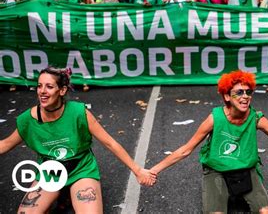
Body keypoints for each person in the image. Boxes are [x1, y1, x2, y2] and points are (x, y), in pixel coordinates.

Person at [149, 70, 268, 213]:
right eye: (239, 92)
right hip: (216, 170)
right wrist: (153, 171)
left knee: (265, 212)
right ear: (227, 96)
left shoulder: (256, 118)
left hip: (246, 170)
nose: (245, 96)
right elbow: (186, 150)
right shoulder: (215, 118)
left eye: (248, 92)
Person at [0, 67, 156, 212]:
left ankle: (67, 192)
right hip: (50, 172)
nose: (42, 91)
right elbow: (5, 144)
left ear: (62, 90)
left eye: (49, 86)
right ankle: (62, 193)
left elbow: (110, 142)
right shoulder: (28, 120)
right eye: (39, 86)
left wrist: (138, 170)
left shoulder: (79, 113)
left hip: (80, 169)